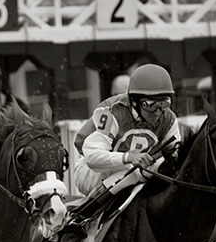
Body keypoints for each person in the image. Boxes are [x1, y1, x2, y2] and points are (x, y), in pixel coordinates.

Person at [69, 63, 181, 200]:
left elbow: (175, 156)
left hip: (137, 173)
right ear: (135, 101)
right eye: (150, 105)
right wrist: (128, 157)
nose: (157, 112)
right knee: (130, 171)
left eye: (163, 104)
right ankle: (85, 212)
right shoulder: (113, 112)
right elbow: (92, 158)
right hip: (91, 171)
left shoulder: (169, 119)